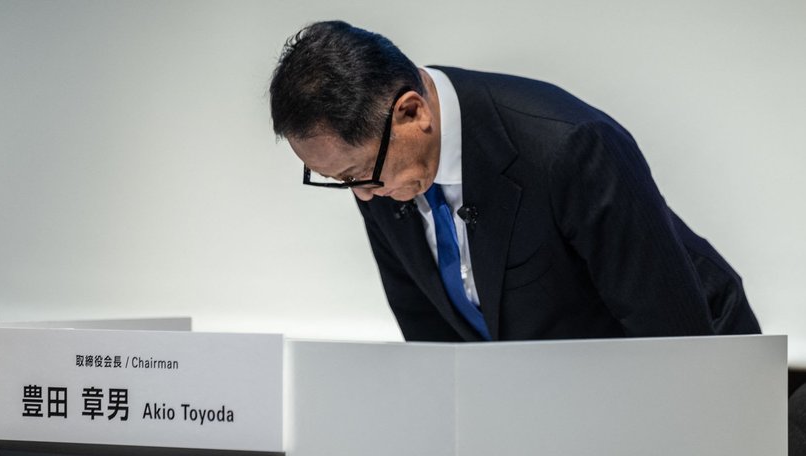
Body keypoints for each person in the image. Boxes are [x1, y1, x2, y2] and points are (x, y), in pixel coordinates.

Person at [269, 20, 760, 342]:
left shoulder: (569, 148)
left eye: (361, 177)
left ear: (411, 112)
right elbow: (428, 330)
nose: (361, 195)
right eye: (338, 180)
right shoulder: (377, 166)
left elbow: (671, 336)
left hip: (689, 367)